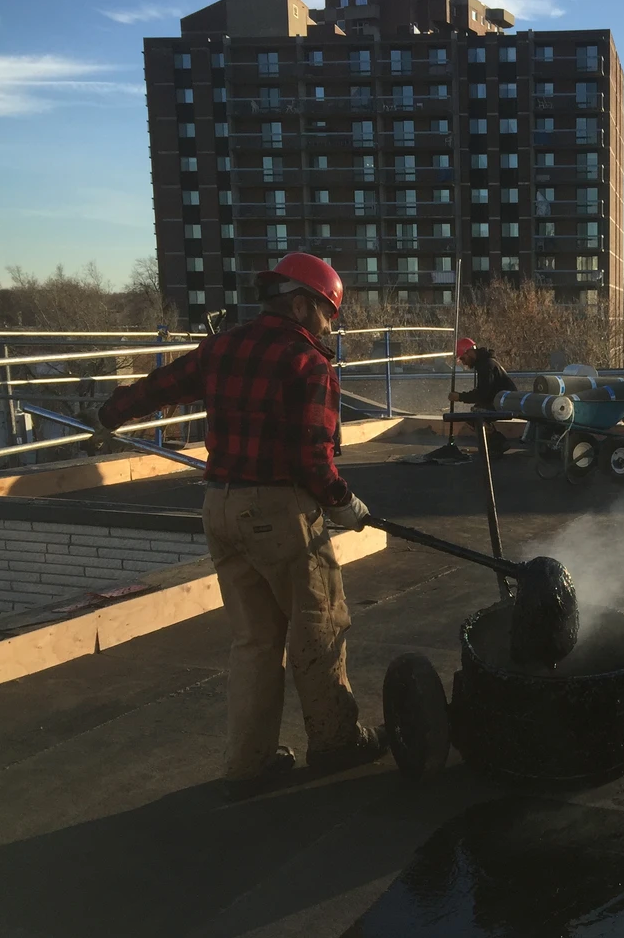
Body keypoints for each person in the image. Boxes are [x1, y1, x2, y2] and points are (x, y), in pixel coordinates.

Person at [89, 252, 386, 799]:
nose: (330, 325)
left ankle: (249, 764)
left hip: (220, 507)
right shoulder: (308, 364)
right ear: (302, 305)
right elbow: (311, 459)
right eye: (328, 312)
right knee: (319, 625)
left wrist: (111, 414)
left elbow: (161, 386)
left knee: (254, 641)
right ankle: (336, 742)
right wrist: (343, 503)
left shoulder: (223, 346)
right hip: (279, 513)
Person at [449, 337, 516, 411]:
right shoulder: (485, 363)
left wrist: (460, 397)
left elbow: (482, 394)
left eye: (463, 358)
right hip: (503, 402)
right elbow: (484, 392)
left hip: (505, 405)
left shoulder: (486, 366)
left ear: (470, 352)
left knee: (477, 412)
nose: (464, 363)